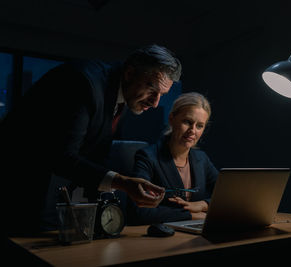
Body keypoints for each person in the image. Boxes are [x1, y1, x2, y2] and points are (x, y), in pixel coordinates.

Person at [0, 44, 181, 235]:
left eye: (162, 95)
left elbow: (95, 154)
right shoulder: (84, 83)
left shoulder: (125, 95)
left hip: (49, 196)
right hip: (17, 191)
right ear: (129, 73)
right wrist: (122, 182)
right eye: (152, 89)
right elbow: (63, 156)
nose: (155, 103)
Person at [128, 92, 218, 225]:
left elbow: (229, 197)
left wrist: (203, 205)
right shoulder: (148, 157)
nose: (193, 130)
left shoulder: (202, 159)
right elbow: (139, 211)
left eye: (199, 126)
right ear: (171, 118)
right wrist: (190, 215)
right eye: (187, 122)